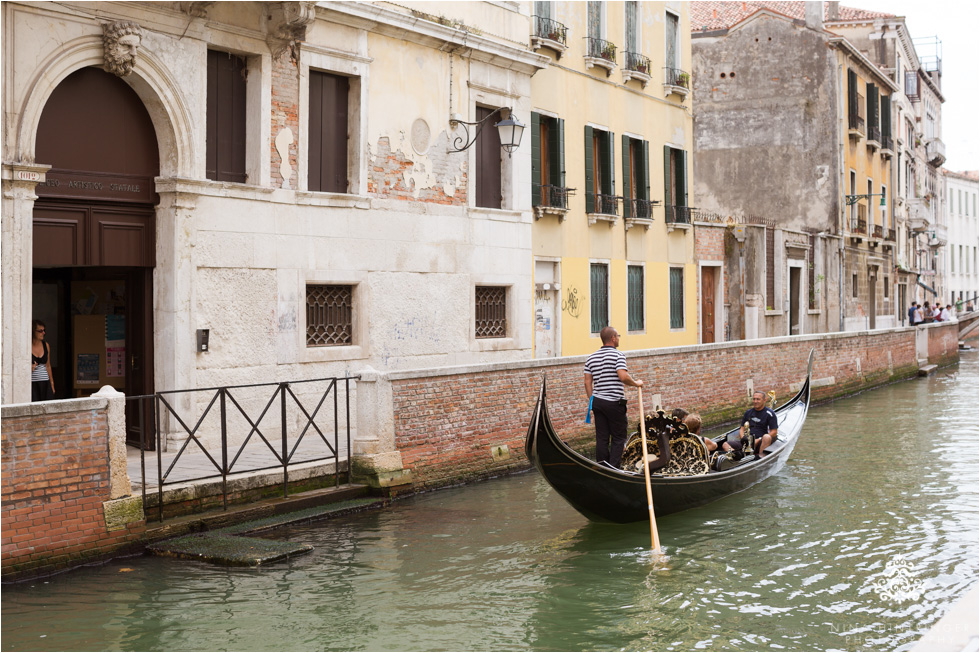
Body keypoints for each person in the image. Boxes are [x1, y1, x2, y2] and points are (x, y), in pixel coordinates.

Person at [584, 326, 643, 468]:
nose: (618, 339)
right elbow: (623, 376)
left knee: (602, 438)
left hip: (597, 402)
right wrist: (636, 384)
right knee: (618, 437)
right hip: (614, 403)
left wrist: (593, 398)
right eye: (618, 336)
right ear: (613, 338)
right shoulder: (618, 355)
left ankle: (602, 467)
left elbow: (587, 382)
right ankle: (613, 468)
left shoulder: (591, 358)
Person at [739, 391, 778, 456]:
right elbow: (742, 429)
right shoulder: (748, 412)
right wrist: (744, 440)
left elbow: (774, 432)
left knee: (766, 437)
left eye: (758, 399)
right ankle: (738, 457)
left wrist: (759, 439)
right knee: (725, 445)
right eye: (754, 399)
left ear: (764, 400)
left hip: (762, 441)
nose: (755, 401)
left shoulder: (770, 414)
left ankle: (760, 457)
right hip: (748, 441)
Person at [31, 320, 55, 401]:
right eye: (40, 331)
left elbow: (48, 366)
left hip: (45, 383)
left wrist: (52, 384)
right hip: (32, 384)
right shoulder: (27, 346)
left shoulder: (46, 345)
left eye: (44, 330)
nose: (43, 333)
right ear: (33, 331)